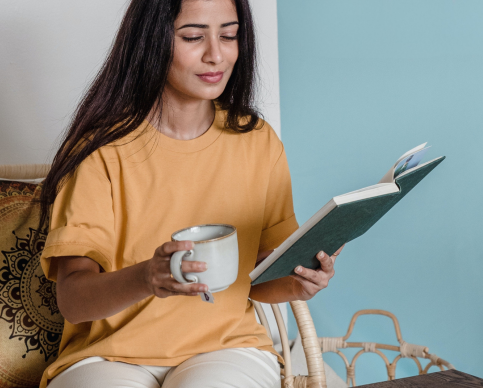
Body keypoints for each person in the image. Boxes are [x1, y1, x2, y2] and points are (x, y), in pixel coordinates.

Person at [38, 0, 343, 387]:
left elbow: (261, 279)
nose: (216, 54)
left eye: (229, 35)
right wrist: (147, 278)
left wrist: (301, 281)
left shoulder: (257, 141)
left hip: (227, 349)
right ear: (151, 41)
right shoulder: (99, 151)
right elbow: (73, 300)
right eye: (194, 36)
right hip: (108, 357)